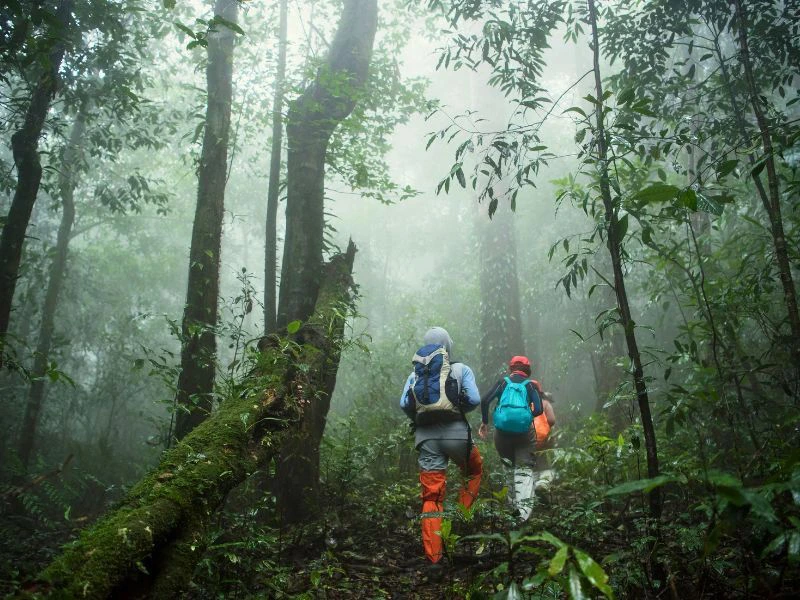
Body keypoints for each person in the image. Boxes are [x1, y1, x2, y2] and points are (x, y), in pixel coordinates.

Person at [400, 326, 483, 565]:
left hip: (426, 438)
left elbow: (404, 403)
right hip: (457, 434)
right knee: (474, 471)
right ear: (448, 345)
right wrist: (457, 408)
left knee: (432, 497)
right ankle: (459, 518)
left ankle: (434, 558)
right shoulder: (460, 369)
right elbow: (475, 399)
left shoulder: (414, 374)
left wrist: (420, 418)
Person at [477, 355, 543, 520]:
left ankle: (511, 510)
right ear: (527, 370)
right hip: (525, 434)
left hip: (502, 433)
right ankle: (523, 516)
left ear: (511, 368)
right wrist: (527, 416)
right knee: (524, 469)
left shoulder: (503, 382)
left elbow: (485, 401)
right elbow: (539, 409)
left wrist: (485, 422)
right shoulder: (530, 385)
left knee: (508, 467)